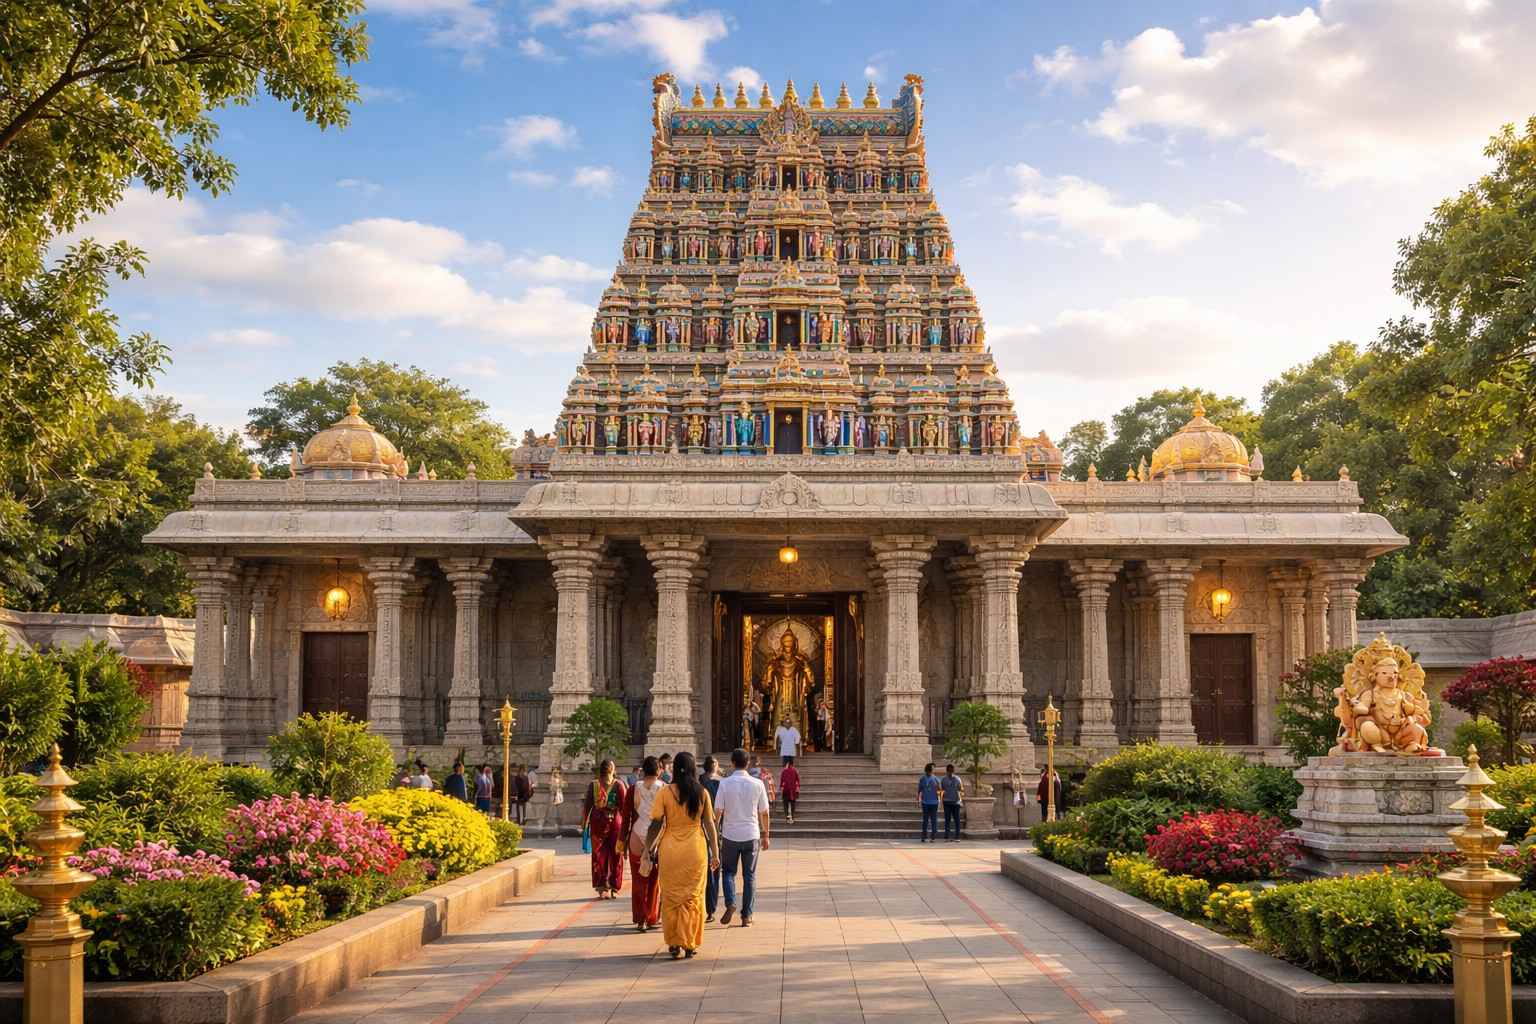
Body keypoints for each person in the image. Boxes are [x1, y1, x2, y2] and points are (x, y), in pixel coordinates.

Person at [643, 751, 720, 959]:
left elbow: (656, 824)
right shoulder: (702, 792)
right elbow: (709, 824)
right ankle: (690, 943)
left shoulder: (665, 793)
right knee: (693, 896)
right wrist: (715, 852)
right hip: (696, 849)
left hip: (670, 850)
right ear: (694, 768)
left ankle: (674, 943)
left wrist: (647, 849)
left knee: (670, 897)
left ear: (675, 768)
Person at [714, 747, 770, 928]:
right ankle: (747, 916)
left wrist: (714, 832)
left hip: (730, 834)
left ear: (732, 763)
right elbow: (764, 812)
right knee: (749, 876)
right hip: (751, 834)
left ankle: (730, 902)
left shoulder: (724, 784)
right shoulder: (757, 784)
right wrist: (766, 834)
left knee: (728, 872)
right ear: (748, 763)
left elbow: (718, 811)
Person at [624, 756, 664, 932]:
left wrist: (621, 841)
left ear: (642, 770)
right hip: (657, 837)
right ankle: (651, 916)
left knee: (638, 880)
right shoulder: (665, 789)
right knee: (654, 880)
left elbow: (626, 817)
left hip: (637, 835)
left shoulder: (633, 789)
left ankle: (640, 919)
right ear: (659, 771)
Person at [581, 759, 628, 899]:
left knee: (598, 855)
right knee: (616, 854)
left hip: (597, 822)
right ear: (612, 770)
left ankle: (602, 887)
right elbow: (624, 808)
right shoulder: (619, 785)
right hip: (615, 822)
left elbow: (587, 806)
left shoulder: (594, 785)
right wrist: (628, 826)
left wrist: (584, 823)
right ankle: (614, 886)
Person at [700, 755, 723, 922]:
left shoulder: (698, 782)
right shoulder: (721, 783)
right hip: (715, 826)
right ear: (715, 766)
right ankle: (711, 908)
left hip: (699, 828)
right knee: (713, 868)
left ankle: (704, 905)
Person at [940, 764, 964, 842]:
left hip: (956, 802)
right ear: (947, 771)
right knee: (947, 820)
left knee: (956, 820)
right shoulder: (944, 779)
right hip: (947, 802)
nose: (950, 773)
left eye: (951, 771)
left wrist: (960, 798)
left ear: (953, 771)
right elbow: (942, 789)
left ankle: (957, 837)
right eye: (949, 771)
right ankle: (947, 837)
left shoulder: (957, 779)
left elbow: (961, 789)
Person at [917, 763, 940, 843]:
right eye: (929, 770)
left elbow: (940, 790)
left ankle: (933, 836)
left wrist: (939, 800)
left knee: (933, 820)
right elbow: (919, 790)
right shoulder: (922, 779)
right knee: (925, 820)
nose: (930, 772)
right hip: (925, 802)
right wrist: (919, 800)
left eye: (931, 770)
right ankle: (924, 836)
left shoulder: (936, 779)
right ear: (926, 770)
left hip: (934, 803)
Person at [779, 757, 800, 824]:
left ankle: (787, 818)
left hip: (786, 790)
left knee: (785, 805)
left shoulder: (784, 771)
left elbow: (782, 781)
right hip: (793, 791)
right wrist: (797, 788)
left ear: (787, 763)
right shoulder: (795, 771)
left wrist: (781, 787)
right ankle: (792, 818)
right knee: (793, 805)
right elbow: (798, 781)